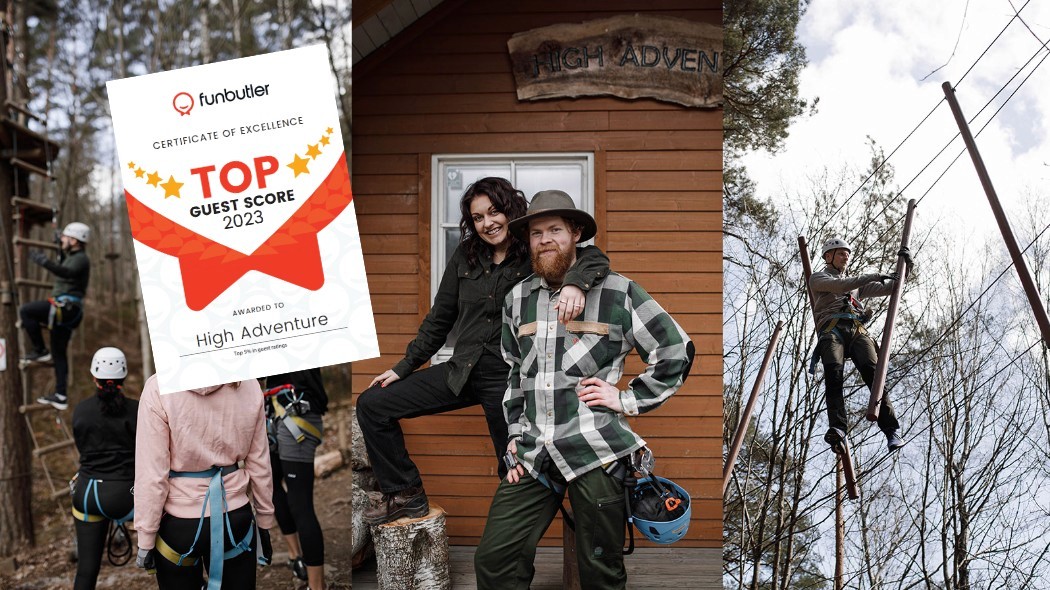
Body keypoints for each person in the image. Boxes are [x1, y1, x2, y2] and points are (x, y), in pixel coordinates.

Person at [474, 190, 695, 590]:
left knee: (601, 569)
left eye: (555, 229)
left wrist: (626, 398)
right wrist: (512, 434)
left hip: (595, 449)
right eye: (536, 232)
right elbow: (512, 372)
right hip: (533, 451)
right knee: (494, 560)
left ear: (575, 232)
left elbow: (676, 349)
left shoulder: (617, 291)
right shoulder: (516, 298)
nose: (545, 240)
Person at [356, 177, 610, 525]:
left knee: (514, 465)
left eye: (494, 211)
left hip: (506, 378)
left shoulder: (534, 251)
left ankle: (527, 538)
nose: (488, 223)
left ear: (510, 211)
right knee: (372, 404)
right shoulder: (466, 256)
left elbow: (593, 256)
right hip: (461, 371)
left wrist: (576, 283)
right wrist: (404, 366)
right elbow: (440, 318)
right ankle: (405, 494)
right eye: (478, 217)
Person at [134, 378, 275, 589]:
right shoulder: (247, 383)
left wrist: (146, 537)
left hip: (180, 525)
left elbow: (152, 474)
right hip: (236, 519)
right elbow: (260, 462)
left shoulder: (159, 386)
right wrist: (264, 521)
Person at [809, 237, 911, 453]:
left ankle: (891, 430)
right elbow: (840, 285)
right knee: (833, 374)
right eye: (841, 253)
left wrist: (906, 267)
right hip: (832, 330)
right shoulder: (818, 278)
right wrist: (871, 276)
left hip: (856, 330)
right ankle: (838, 427)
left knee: (873, 373)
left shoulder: (857, 288)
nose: (846, 256)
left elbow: (893, 288)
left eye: (847, 253)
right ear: (828, 257)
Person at [71, 347, 136, 590]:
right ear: (124, 376)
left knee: (86, 572)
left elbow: (82, 447)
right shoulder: (137, 410)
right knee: (168, 560)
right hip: (130, 496)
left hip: (89, 495)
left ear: (93, 376)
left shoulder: (81, 411)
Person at [264, 369, 328, 590]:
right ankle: (295, 555)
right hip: (272, 410)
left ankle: (316, 586)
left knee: (300, 503)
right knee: (269, 483)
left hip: (296, 410)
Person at [21, 221, 91, 410]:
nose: (62, 240)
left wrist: (45, 262)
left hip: (66, 308)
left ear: (75, 240)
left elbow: (66, 272)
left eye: (66, 237)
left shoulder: (81, 259)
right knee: (59, 354)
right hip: (67, 311)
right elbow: (64, 265)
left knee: (26, 311)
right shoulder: (71, 257)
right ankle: (61, 395)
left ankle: (39, 350)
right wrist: (59, 249)